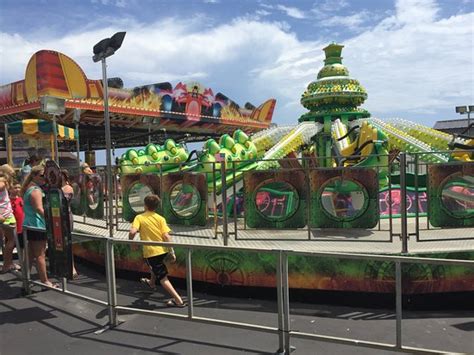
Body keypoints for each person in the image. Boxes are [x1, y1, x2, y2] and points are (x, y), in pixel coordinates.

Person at [128, 194, 186, 307]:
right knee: (154, 267)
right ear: (156, 207)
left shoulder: (139, 218)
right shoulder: (161, 218)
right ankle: (151, 283)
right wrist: (171, 251)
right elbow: (167, 236)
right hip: (162, 250)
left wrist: (132, 243)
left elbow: (132, 232)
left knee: (163, 278)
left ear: (145, 205)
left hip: (151, 252)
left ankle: (178, 300)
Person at [22, 165, 58, 288]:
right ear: (34, 176)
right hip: (37, 225)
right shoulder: (36, 190)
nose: (45, 178)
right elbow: (39, 208)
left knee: (31, 254)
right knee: (40, 255)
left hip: (30, 224)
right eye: (42, 175)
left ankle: (25, 280)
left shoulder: (29, 188)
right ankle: (45, 281)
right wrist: (51, 220)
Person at [61, 169, 78, 279]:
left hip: (66, 217)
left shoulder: (67, 188)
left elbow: (64, 201)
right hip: (58, 217)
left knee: (67, 242)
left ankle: (71, 267)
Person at [0, 171, 19, 272]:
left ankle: (9, 263)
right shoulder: (3, 182)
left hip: (4, 214)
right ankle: (7, 264)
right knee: (11, 240)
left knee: (7, 241)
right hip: (6, 215)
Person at [9, 180, 24, 268]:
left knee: (22, 247)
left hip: (21, 227)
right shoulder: (8, 201)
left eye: (19, 187)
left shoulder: (20, 199)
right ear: (10, 189)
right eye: (15, 188)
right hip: (12, 227)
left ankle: (21, 262)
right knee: (10, 246)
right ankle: (10, 263)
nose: (17, 189)